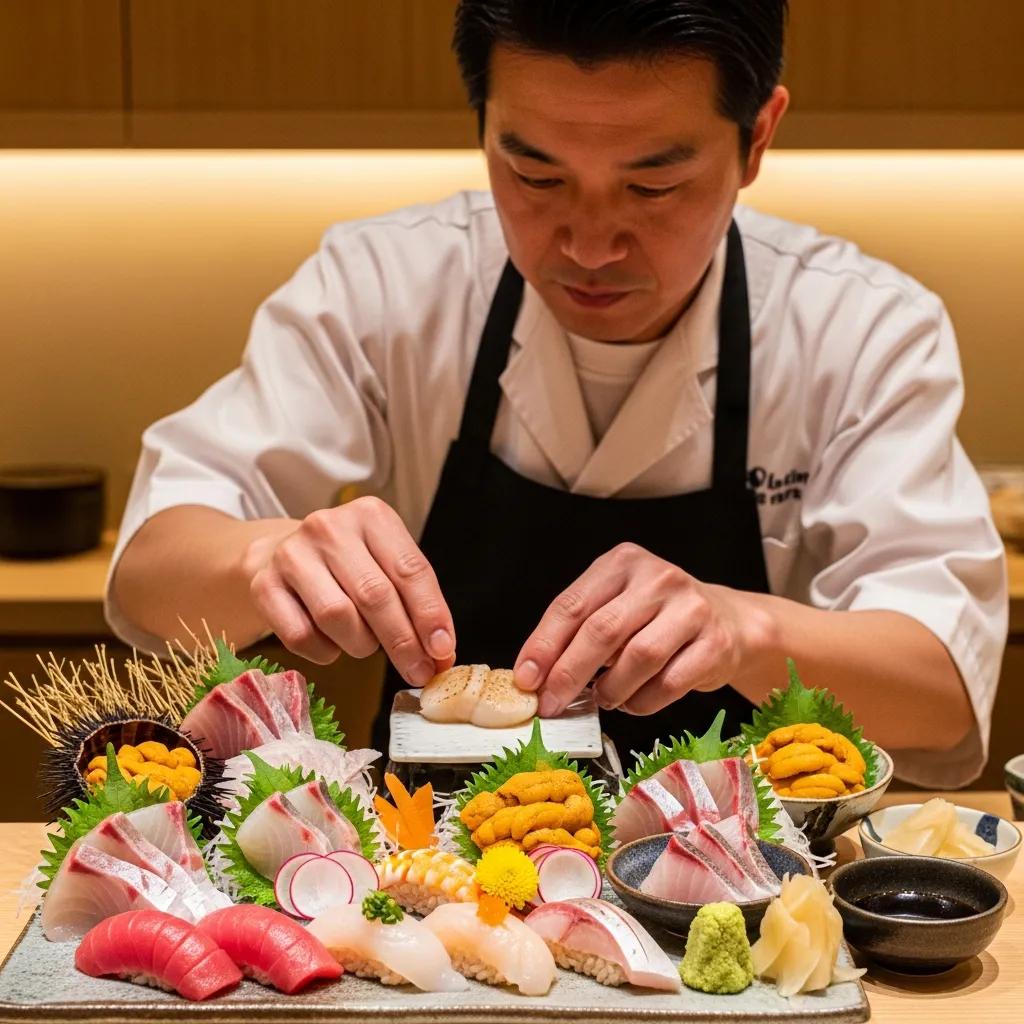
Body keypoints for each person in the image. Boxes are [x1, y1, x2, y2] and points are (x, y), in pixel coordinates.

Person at [107, 0, 1007, 788]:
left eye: (654, 184)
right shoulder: (383, 283)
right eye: (534, 175)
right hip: (430, 883)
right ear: (483, 125)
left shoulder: (860, 326)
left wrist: (743, 629)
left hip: (749, 893)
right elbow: (150, 576)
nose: (587, 245)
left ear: (757, 139)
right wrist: (265, 559)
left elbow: (943, 694)